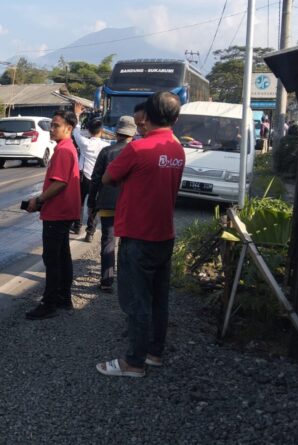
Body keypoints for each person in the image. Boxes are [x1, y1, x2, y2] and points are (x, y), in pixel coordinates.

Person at [96, 91, 185, 378]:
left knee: (137, 301)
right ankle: (154, 353)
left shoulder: (138, 148)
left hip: (138, 234)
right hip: (164, 234)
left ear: (146, 115)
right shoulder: (177, 149)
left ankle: (133, 362)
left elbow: (108, 177)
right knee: (159, 299)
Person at [24, 110, 81, 320]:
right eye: (52, 125)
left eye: (56, 125)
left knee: (52, 259)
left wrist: (38, 200)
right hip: (63, 211)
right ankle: (64, 299)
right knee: (62, 257)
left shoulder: (64, 150)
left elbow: (59, 183)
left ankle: (49, 304)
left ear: (69, 128)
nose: (52, 129)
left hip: (57, 213)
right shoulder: (66, 148)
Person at [88, 115, 137, 293]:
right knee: (128, 243)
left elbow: (95, 180)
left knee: (108, 241)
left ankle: (106, 282)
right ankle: (127, 281)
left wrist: (91, 203)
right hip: (130, 206)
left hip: (107, 203)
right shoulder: (138, 152)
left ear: (117, 133)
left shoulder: (106, 152)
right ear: (133, 133)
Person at [72, 102, 110, 242]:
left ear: (88, 131)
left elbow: (75, 132)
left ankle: (76, 226)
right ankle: (90, 232)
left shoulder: (84, 143)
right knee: (94, 205)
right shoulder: (106, 146)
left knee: (80, 202)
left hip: (84, 177)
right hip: (98, 179)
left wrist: (77, 114)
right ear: (101, 131)